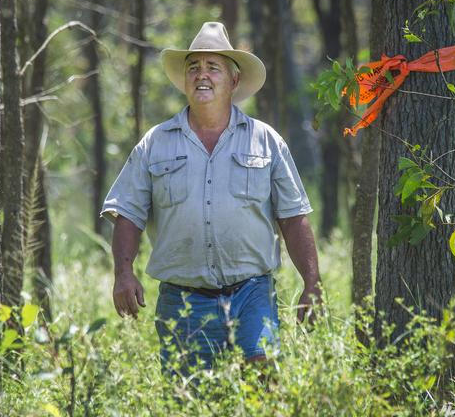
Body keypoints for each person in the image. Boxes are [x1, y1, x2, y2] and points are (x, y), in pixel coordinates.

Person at [101, 22, 321, 373]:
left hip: (252, 293)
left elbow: (293, 218)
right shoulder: (155, 143)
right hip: (183, 300)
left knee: (263, 375)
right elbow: (128, 214)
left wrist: (312, 283)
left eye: (212, 67)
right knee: (189, 398)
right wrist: (123, 273)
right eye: (194, 68)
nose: (202, 75)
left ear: (234, 81)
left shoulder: (265, 140)